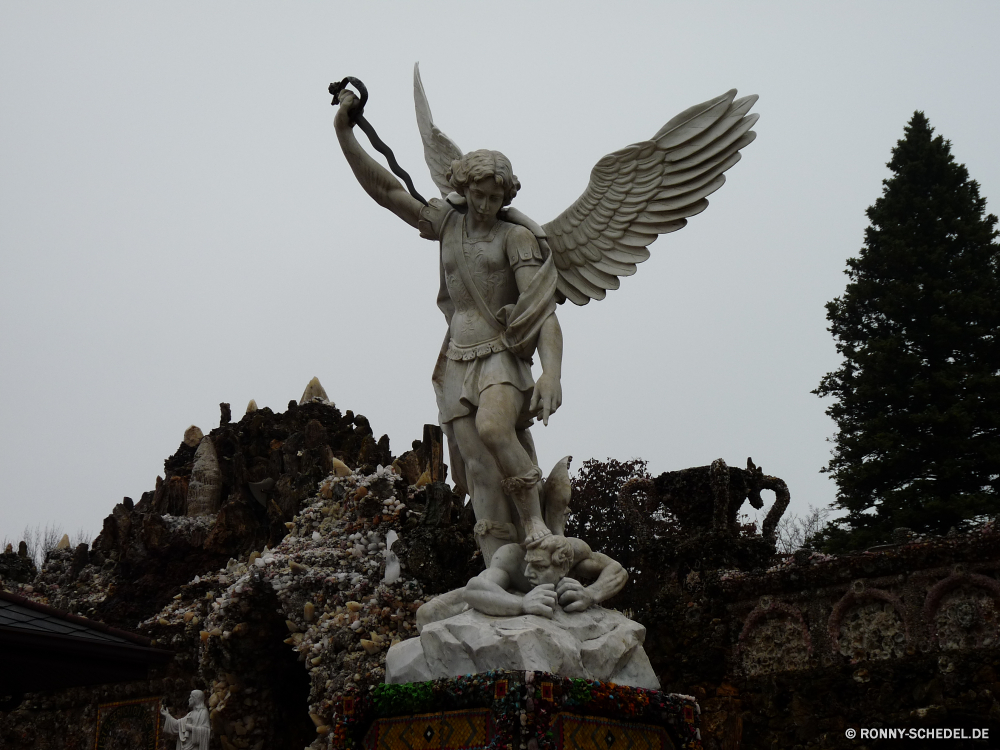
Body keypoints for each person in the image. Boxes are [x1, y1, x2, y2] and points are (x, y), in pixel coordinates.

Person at [334, 90, 563, 564]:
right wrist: (344, 133)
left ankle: (538, 525)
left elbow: (542, 311)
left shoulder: (515, 237)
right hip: (456, 357)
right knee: (478, 470)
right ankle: (497, 564)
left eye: (494, 197)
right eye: (477, 194)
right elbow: (388, 191)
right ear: (464, 188)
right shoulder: (447, 224)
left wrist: (551, 374)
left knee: (496, 428)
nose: (484, 204)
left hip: (500, 352)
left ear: (506, 196)